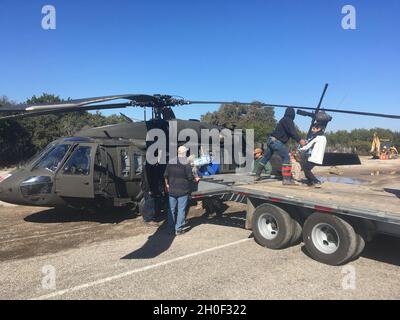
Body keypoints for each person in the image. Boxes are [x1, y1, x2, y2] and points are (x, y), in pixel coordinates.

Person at [255, 107, 306, 184]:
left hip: (271, 140)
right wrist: (300, 140)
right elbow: (292, 132)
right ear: (292, 114)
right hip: (276, 142)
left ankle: (257, 175)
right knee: (286, 157)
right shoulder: (288, 120)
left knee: (266, 157)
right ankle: (286, 179)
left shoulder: (283, 120)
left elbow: (290, 133)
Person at [164, 146, 200, 235]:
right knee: (181, 210)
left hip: (172, 190)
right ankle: (178, 229)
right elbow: (190, 177)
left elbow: (165, 175)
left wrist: (167, 185)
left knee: (171, 210)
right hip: (182, 191)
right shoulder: (186, 163)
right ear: (184, 153)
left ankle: (170, 229)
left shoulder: (171, 162)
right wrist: (196, 179)